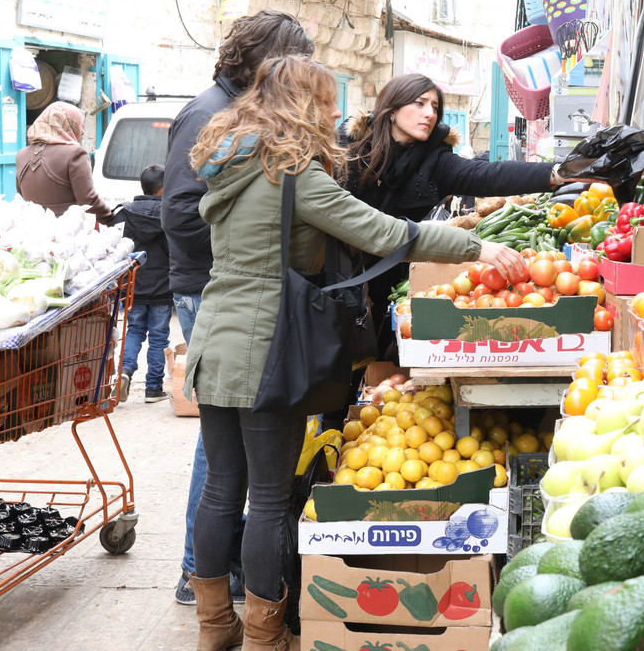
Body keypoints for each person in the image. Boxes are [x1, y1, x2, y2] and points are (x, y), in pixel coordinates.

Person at [183, 55, 524, 651]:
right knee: (265, 498)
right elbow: (383, 231)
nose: (336, 112)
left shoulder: (227, 161)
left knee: (221, 490)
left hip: (216, 339)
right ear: (300, 106)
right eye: (325, 100)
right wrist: (474, 247)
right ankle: (264, 636)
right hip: (270, 345)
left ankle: (215, 627)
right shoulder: (291, 173)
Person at [161, 9, 315, 607]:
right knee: (224, 453)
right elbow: (180, 212)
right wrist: (246, 245)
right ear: (265, 61)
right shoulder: (211, 114)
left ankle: (212, 586)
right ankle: (201, 572)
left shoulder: (238, 114)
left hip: (225, 285)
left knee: (228, 452)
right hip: (214, 287)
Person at [340, 73, 573, 358]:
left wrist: (556, 173)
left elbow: (486, 175)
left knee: (379, 351)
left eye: (435, 107)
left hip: (392, 268)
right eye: (420, 103)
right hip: (339, 268)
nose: (429, 113)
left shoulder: (435, 158)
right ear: (392, 109)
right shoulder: (348, 148)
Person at [112, 164, 171, 404]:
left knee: (134, 331)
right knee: (159, 337)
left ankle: (124, 372)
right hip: (163, 286)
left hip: (134, 284)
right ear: (164, 188)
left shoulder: (126, 212)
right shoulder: (169, 212)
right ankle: (153, 389)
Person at [15, 101, 112, 222]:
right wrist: (110, 218)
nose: (82, 132)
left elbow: (21, 196)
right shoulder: (75, 153)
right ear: (66, 124)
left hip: (30, 230)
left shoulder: (21, 155)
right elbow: (87, 200)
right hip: (66, 232)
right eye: (79, 125)